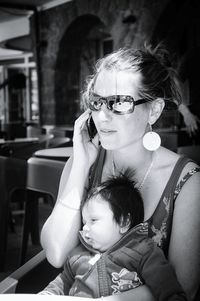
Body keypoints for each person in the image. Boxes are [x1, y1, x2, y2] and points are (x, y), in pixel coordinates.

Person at [41, 44, 200, 301]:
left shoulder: (187, 182)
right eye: (97, 101)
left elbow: (185, 286)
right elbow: (56, 253)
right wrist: (80, 166)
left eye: (119, 103)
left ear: (154, 110)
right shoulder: (82, 163)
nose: (101, 116)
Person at [40, 171, 186, 300]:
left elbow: (165, 284)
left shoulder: (143, 251)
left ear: (123, 221)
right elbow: (62, 283)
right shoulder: (78, 255)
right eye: (84, 222)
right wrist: (46, 295)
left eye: (93, 220)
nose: (84, 228)